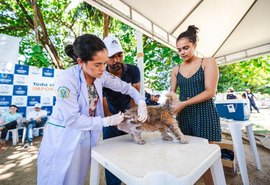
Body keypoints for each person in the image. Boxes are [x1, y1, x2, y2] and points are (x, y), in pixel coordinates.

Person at [37, 34, 147, 185]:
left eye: (104, 63)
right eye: (97, 64)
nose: (103, 69)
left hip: (86, 134)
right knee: (57, 177)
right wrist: (108, 121)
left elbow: (125, 87)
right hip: (64, 135)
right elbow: (72, 119)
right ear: (81, 62)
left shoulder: (101, 75)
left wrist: (141, 101)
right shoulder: (67, 80)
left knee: (78, 178)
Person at [170, 25, 221, 185]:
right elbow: (172, 94)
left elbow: (210, 91)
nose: (182, 52)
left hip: (205, 114)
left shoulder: (208, 62)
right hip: (183, 117)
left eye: (186, 48)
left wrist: (183, 103)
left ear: (195, 45)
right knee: (186, 157)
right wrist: (170, 105)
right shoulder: (176, 70)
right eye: (179, 49)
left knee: (207, 160)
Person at [102, 35, 142, 185]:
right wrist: (113, 121)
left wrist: (132, 120)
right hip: (111, 116)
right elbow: (104, 106)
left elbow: (135, 96)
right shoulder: (101, 75)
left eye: (120, 55)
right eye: (112, 56)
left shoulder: (133, 70)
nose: (117, 59)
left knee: (133, 153)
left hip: (129, 114)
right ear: (105, 57)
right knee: (111, 157)